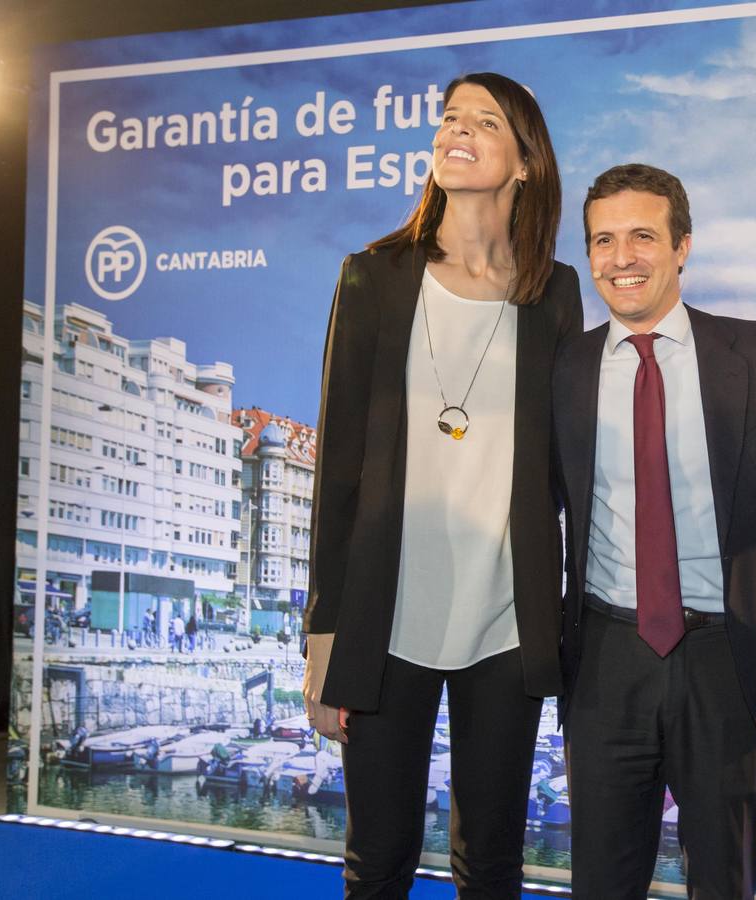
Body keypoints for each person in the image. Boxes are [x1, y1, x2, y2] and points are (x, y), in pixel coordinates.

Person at [301, 72, 582, 898]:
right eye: (449, 118)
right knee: (378, 860)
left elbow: (565, 467)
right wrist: (324, 633)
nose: (456, 131)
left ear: (526, 160)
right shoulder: (373, 275)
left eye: (483, 121)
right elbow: (339, 465)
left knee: (490, 864)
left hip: (505, 619)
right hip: (387, 617)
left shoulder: (554, 291)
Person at [553, 163, 756, 899]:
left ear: (683, 244)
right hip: (603, 659)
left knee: (725, 883)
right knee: (601, 882)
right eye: (603, 240)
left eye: (641, 236)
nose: (621, 258)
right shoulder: (562, 369)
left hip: (725, 659)